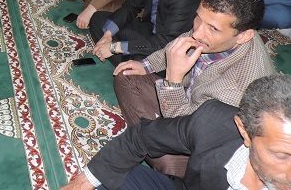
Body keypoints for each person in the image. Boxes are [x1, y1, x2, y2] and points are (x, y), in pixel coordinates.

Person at [112, 0, 275, 176]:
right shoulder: (220, 28)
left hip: (203, 141)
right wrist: (146, 65)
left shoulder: (235, 90)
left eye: (213, 29)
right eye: (198, 18)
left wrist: (173, 79)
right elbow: (178, 44)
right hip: (191, 101)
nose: (197, 32)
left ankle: (167, 164)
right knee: (127, 76)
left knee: (163, 158)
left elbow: (185, 128)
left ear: (244, 36)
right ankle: (150, 131)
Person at [59, 74, 291, 190]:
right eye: (282, 155)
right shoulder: (214, 123)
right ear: (244, 131)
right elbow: (141, 137)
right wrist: (83, 182)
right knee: (112, 177)